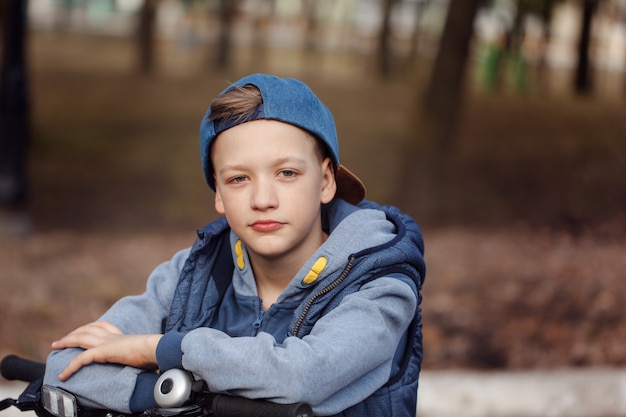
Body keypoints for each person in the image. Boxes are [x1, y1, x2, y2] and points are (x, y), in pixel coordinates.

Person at [43, 73, 426, 417]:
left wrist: (159, 351)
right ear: (219, 196)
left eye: (287, 173)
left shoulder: (380, 284)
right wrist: (165, 392)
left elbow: (302, 376)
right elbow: (64, 365)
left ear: (326, 181)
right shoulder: (193, 274)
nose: (263, 198)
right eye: (239, 179)